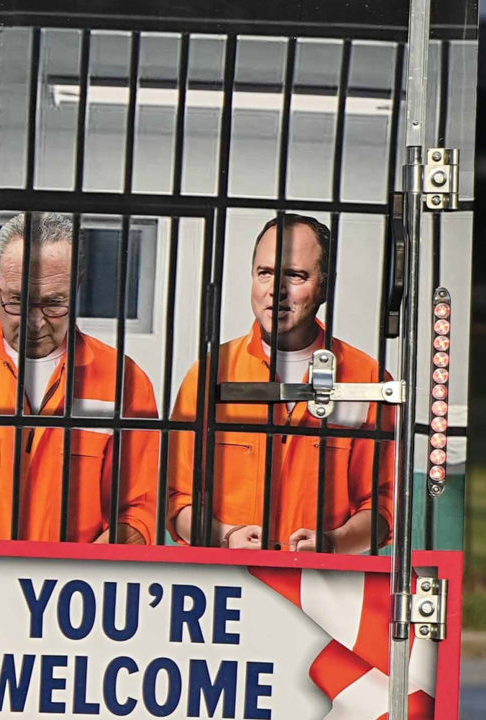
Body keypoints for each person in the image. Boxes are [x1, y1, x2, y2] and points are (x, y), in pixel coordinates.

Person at [0, 212, 161, 543]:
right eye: (18, 301)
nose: (36, 323)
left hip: (70, 590)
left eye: (54, 304)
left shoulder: (126, 384)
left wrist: (67, 575)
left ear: (76, 286)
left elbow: (138, 512)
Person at [167, 213, 393, 552]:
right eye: (265, 273)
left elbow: (384, 506)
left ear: (324, 286)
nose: (276, 290)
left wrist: (332, 543)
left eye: (295, 275)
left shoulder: (367, 379)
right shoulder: (210, 373)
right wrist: (226, 536)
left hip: (320, 586)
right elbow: (177, 499)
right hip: (226, 584)